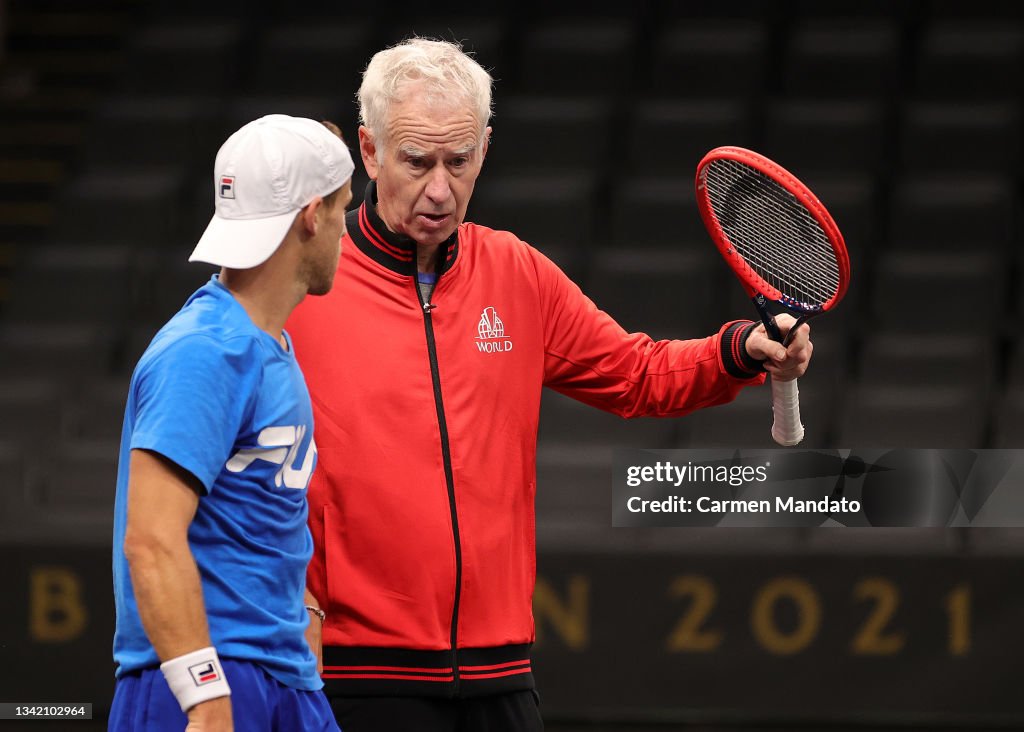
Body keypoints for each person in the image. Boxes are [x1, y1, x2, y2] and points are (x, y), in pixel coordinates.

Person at [286, 39, 812, 731]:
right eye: (417, 161)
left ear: (486, 148)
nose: (440, 189)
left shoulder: (517, 273)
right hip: (356, 681)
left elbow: (637, 373)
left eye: (460, 159)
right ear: (371, 150)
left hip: (502, 677)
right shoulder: (301, 286)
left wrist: (740, 351)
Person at [109, 114, 354, 732]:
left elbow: (257, 511)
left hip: (282, 679)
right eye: (344, 210)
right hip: (208, 684)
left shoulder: (269, 349)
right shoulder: (204, 349)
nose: (346, 232)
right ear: (310, 215)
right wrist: (207, 700)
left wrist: (303, 612)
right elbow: (150, 539)